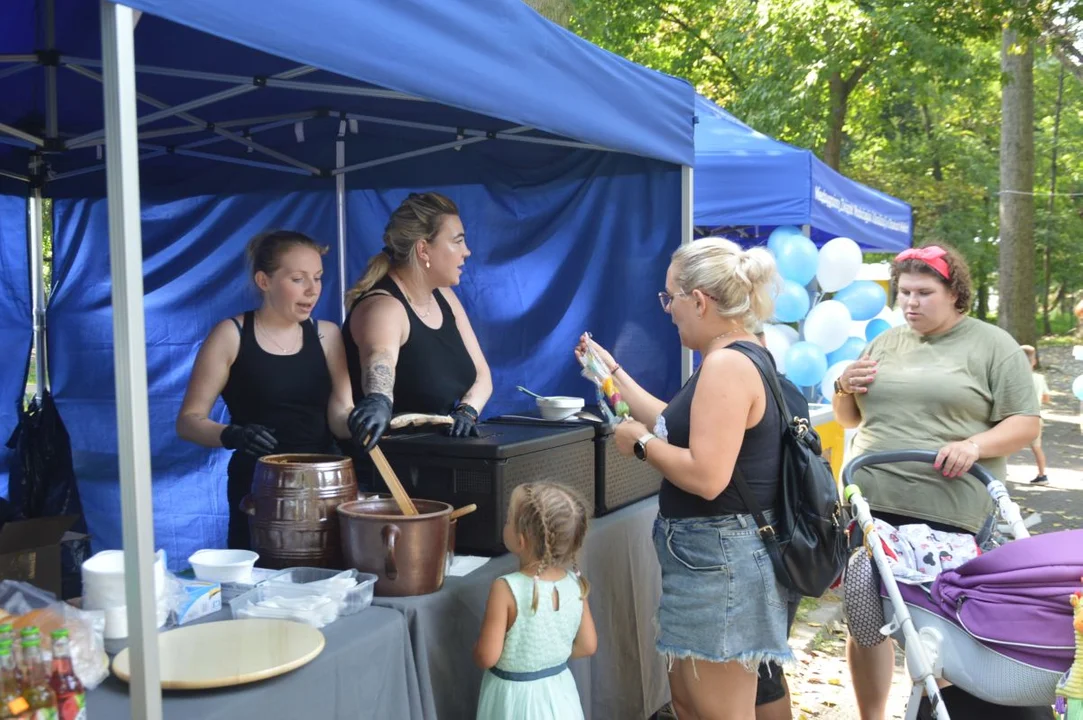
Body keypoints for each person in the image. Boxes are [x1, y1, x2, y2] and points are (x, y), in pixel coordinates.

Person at [576, 237, 796, 720]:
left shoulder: (725, 365)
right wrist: (610, 373)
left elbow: (707, 476)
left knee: (714, 711)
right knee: (690, 706)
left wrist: (640, 445)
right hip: (711, 561)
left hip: (721, 566)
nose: (668, 309)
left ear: (698, 300)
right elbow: (672, 422)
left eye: (669, 297)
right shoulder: (736, 355)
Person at [834, 244, 1040, 720]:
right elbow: (849, 419)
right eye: (904, 292)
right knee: (866, 619)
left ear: (955, 293)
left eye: (924, 292)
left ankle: (937, 710)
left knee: (939, 628)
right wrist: (844, 387)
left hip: (950, 510)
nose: (911, 302)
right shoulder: (885, 342)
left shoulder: (992, 345)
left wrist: (974, 445)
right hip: (871, 506)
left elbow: (1025, 423)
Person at [176, 230, 363, 550]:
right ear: (264, 281)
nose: (312, 290)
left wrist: (364, 419)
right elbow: (188, 421)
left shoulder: (327, 335)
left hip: (325, 483)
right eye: (298, 279)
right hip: (259, 483)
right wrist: (232, 434)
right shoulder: (230, 335)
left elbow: (339, 416)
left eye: (317, 278)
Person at [342, 192, 492, 454]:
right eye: (457, 242)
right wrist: (379, 399)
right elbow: (381, 357)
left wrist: (467, 412)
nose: (466, 252)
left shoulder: (444, 296)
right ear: (423, 249)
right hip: (388, 467)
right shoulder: (384, 307)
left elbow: (482, 375)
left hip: (438, 456)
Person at [473, 482, 597, 720]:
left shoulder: (506, 588)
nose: (505, 522)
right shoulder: (575, 584)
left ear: (521, 540)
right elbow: (588, 645)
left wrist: (476, 650)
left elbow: (487, 656)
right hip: (559, 695)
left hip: (514, 701)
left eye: (509, 518)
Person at [1020, 344, 1050, 484]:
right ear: (1034, 361)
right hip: (1035, 416)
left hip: (1017, 416)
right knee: (1037, 447)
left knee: (1005, 445)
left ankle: (997, 472)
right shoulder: (1039, 378)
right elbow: (1046, 398)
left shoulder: (1016, 378)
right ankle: (1042, 474)